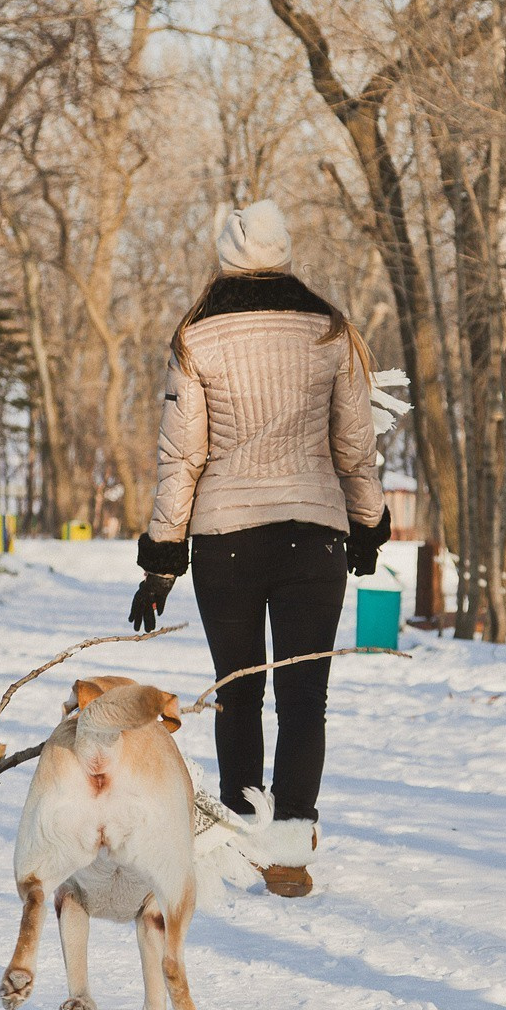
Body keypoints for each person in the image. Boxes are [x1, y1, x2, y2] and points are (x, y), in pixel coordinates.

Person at [128, 199, 390, 898]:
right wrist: (367, 525)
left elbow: (181, 458)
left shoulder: (199, 337)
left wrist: (161, 560)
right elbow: (354, 446)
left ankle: (242, 829)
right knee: (305, 698)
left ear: (226, 257)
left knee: (239, 693)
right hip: (314, 534)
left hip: (226, 538)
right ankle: (287, 851)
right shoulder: (331, 331)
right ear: (285, 252)